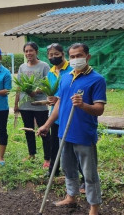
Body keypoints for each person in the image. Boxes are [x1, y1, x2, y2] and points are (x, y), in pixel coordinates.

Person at [37, 43, 106, 215]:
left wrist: (83, 105)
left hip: (83, 133)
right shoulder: (66, 77)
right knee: (68, 168)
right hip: (64, 132)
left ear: (87, 56)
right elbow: (59, 104)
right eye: (73, 56)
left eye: (79, 55)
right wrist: (46, 124)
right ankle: (71, 196)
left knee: (89, 173)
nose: (76, 59)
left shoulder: (97, 79)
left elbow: (99, 109)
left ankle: (94, 207)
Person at [14, 42, 51, 167]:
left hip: (39, 104)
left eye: (31, 51)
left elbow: (49, 83)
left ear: (36, 52)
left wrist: (37, 91)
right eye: (26, 51)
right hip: (25, 105)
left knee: (44, 131)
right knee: (28, 130)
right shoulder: (22, 67)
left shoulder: (44, 66)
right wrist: (16, 104)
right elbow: (19, 86)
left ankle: (47, 158)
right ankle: (31, 154)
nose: (28, 53)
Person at [45, 43, 73, 177]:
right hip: (55, 116)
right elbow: (51, 92)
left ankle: (82, 177)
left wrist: (59, 98)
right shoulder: (51, 72)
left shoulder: (71, 70)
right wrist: (50, 98)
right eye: (51, 55)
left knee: (73, 147)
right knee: (54, 145)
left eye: (56, 54)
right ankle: (53, 171)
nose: (54, 57)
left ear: (63, 54)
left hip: (69, 114)